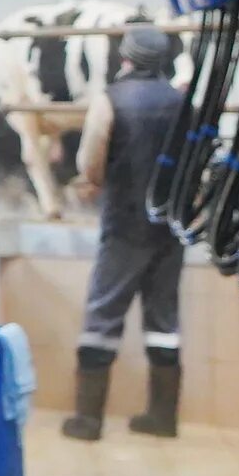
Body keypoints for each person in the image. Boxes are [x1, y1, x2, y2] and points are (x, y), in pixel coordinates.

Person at [65, 24, 185, 439]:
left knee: (103, 315)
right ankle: (162, 417)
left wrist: (98, 182)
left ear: (126, 58)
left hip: (124, 224)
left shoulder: (111, 100)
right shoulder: (181, 101)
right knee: (164, 320)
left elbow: (90, 163)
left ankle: (88, 420)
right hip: (169, 227)